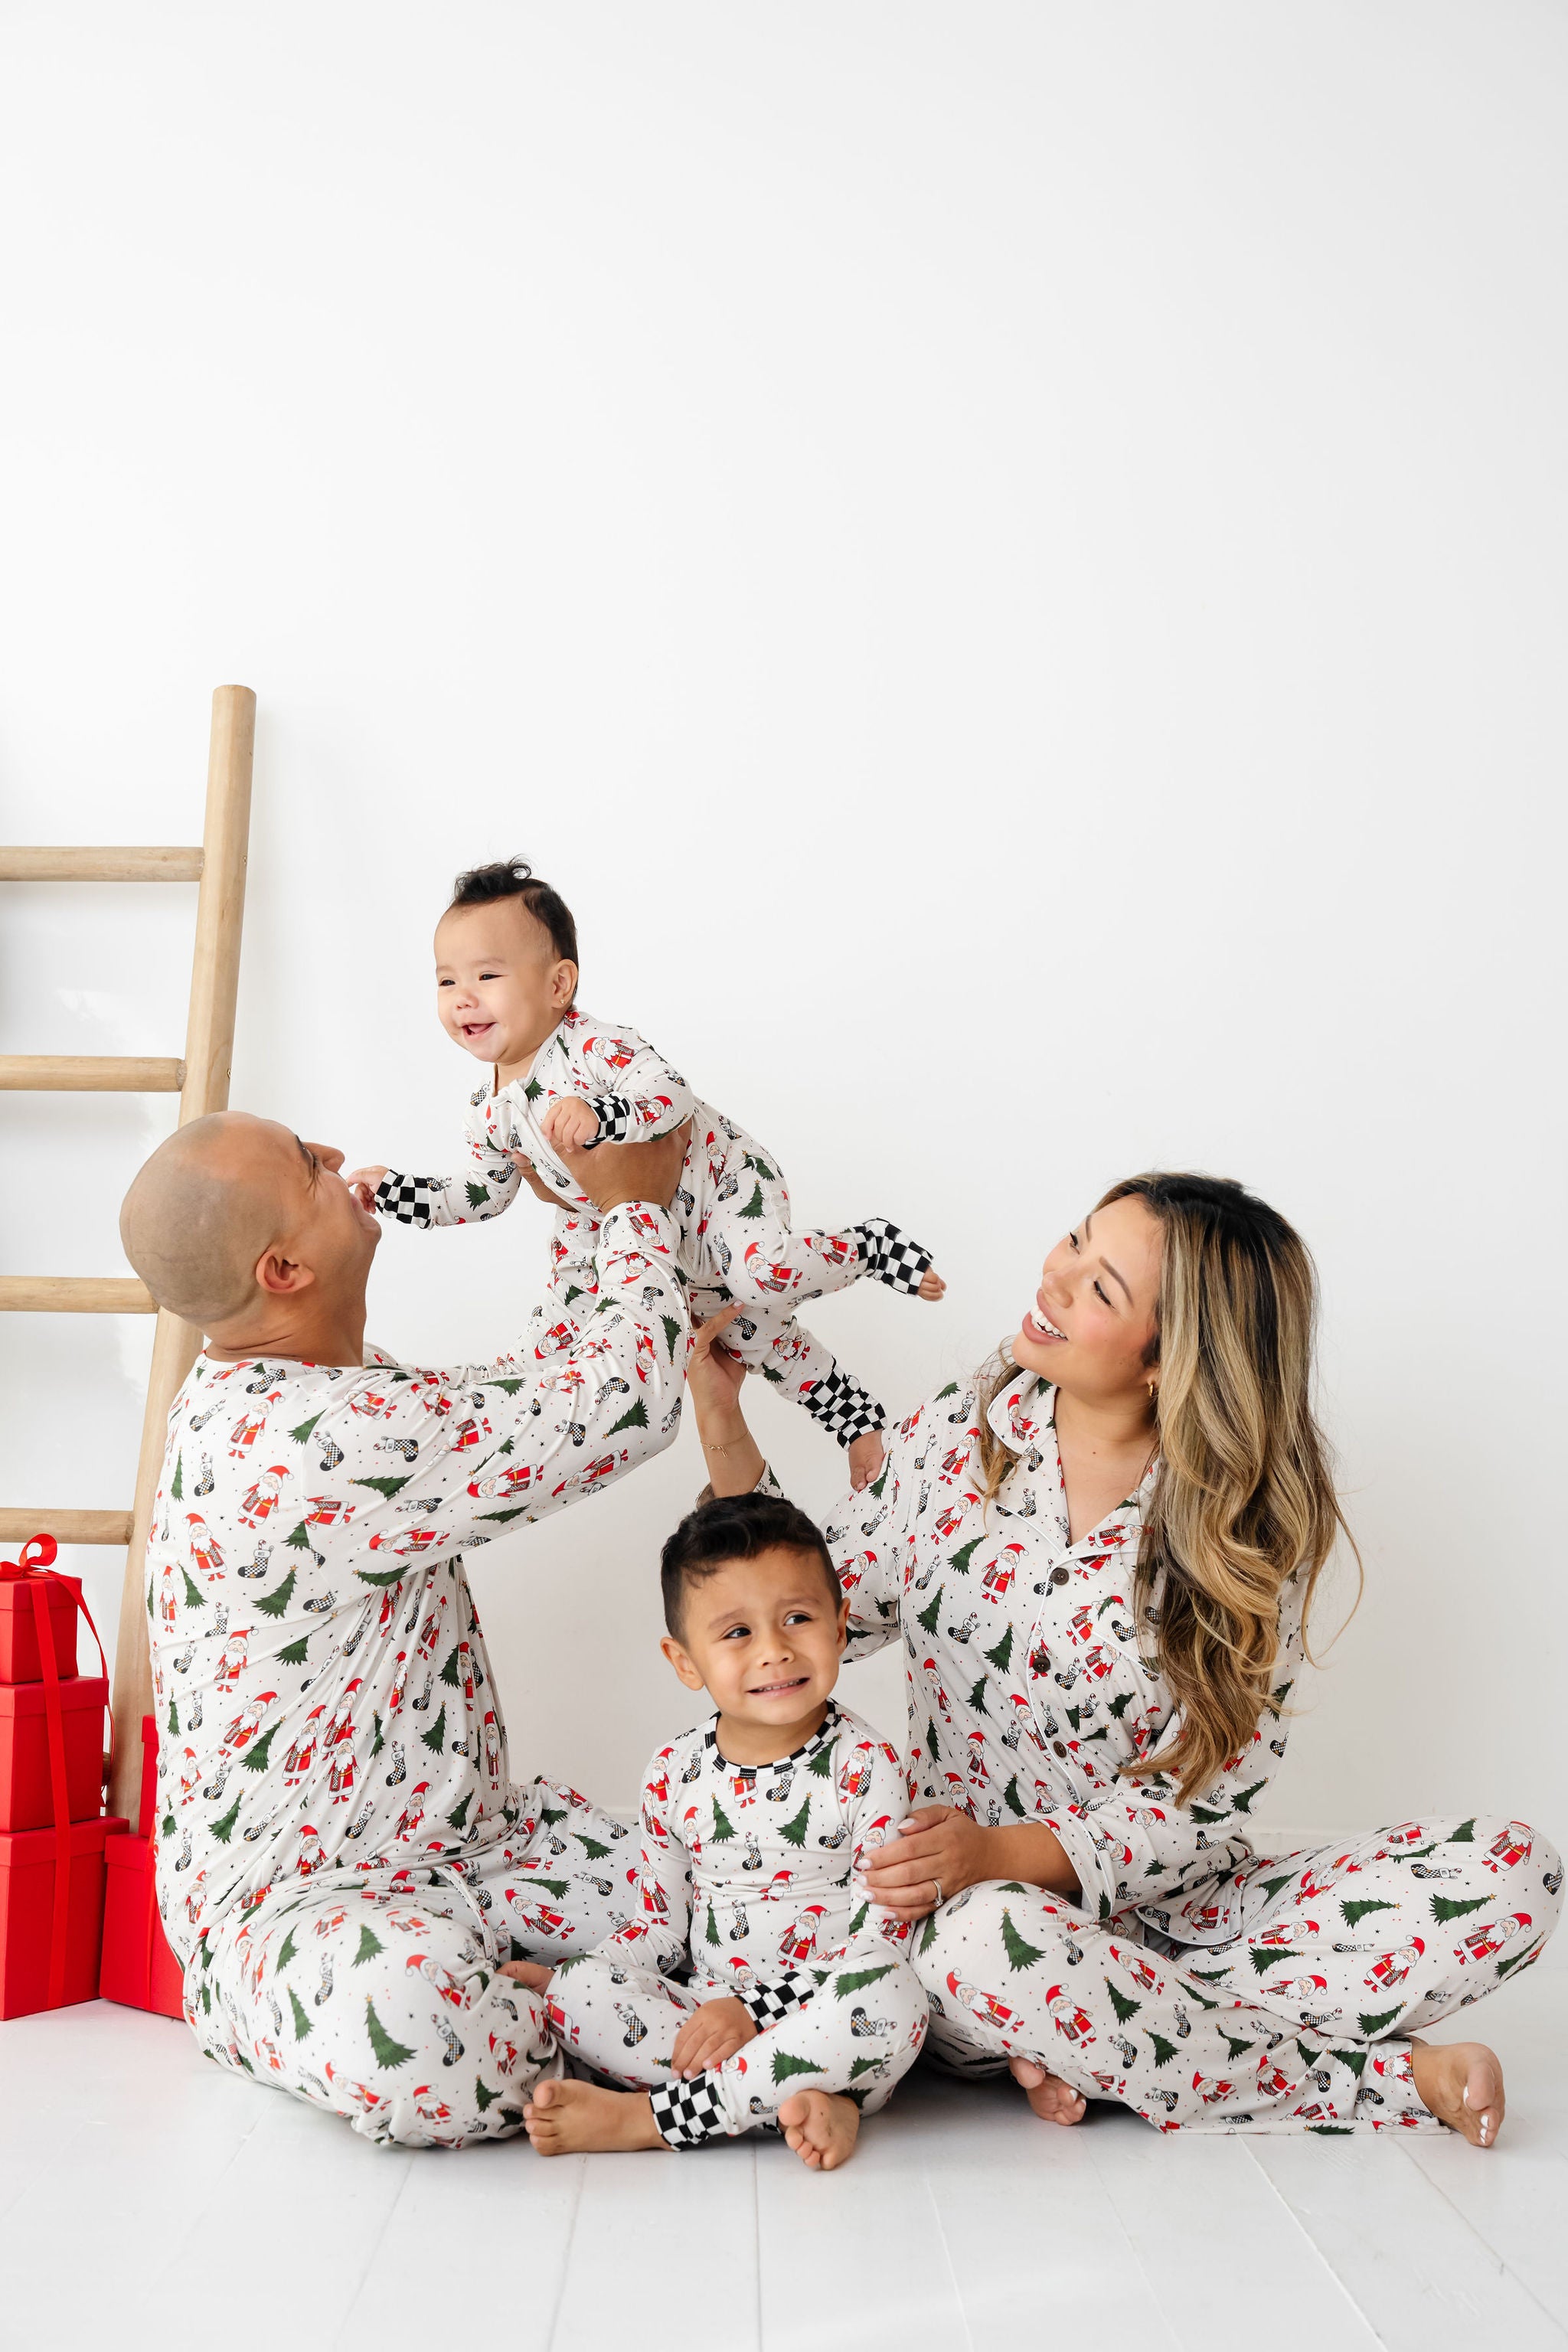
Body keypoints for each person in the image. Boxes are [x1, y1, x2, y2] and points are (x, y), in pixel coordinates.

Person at [688, 1172, 1563, 2144]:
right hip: (966, 1931)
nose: (1053, 1278)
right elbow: (809, 1618)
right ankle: (1365, 2083)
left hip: (1187, 1918)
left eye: (1100, 1288)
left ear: (1167, 1361)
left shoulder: (1241, 1527)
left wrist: (1008, 1851)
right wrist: (724, 1419)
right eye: (1072, 1241)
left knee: (1512, 1873)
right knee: (987, 1945)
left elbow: (1199, 1802)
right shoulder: (960, 1435)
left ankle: (1113, 2044)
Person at [119, 1106, 697, 2148]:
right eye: (307, 1164)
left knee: (737, 1870)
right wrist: (636, 1208)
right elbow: (617, 1407)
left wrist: (573, 1203)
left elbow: (531, 1401)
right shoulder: (315, 1442)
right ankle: (598, 2019)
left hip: (474, 1854)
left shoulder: (316, 1385)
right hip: (308, 1922)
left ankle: (602, 2006)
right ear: (285, 1268)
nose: (337, 1157)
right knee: (407, 2017)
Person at [345, 858, 944, 1491]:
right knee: (744, 1336)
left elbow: (671, 1093)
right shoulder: (488, 1109)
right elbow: (485, 1194)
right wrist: (398, 1193)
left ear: (558, 985)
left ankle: (870, 1244)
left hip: (719, 1187)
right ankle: (861, 1424)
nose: (463, 997)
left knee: (762, 1275)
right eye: (446, 982)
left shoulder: (596, 1045)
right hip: (642, 1231)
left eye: (487, 975)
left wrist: (602, 1114)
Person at [511, 1492, 926, 2171]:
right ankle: (811, 2102)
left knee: (892, 1990)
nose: (774, 1652)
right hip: (705, 2020)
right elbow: (660, 1929)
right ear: (685, 1662)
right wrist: (580, 1976)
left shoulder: (867, 1766)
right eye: (737, 1633)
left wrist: (756, 2011)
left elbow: (877, 1941)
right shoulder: (674, 1771)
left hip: (829, 2016)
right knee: (580, 1992)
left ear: (842, 1626)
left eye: (798, 1618)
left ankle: (653, 2120)